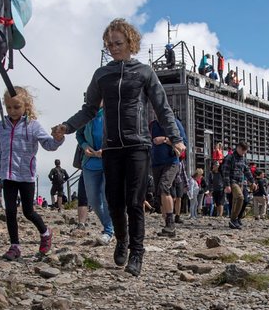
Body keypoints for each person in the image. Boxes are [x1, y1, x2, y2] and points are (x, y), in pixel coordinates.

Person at [53, 18, 184, 277]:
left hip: (138, 145)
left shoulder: (145, 72)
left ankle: (137, 251)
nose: (113, 48)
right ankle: (121, 241)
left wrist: (175, 137)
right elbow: (89, 109)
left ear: (131, 42)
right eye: (109, 44)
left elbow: (161, 107)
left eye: (118, 43)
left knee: (134, 201)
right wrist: (66, 127)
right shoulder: (102, 75)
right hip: (111, 147)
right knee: (113, 201)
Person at [0, 87, 63, 260]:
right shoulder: (2, 125)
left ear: (26, 106)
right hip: (8, 175)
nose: (12, 111)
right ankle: (14, 246)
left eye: (16, 107)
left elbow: (49, 144)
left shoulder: (33, 125)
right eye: (8, 107)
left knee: (28, 211)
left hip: (26, 175)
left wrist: (58, 138)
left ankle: (45, 233)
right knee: (10, 212)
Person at [76, 105, 114, 244]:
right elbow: (79, 134)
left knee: (106, 197)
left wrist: (107, 149)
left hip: (109, 162)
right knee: (93, 200)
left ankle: (109, 230)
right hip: (89, 163)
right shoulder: (86, 115)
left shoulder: (113, 112)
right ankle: (110, 227)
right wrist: (85, 146)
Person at [150, 114, 188, 237]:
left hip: (171, 162)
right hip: (156, 163)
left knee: (164, 187)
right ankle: (167, 224)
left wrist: (165, 140)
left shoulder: (174, 123)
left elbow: (184, 144)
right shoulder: (153, 125)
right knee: (159, 193)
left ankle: (171, 223)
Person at [222, 142, 255, 229]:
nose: (244, 152)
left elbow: (247, 170)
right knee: (240, 197)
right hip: (232, 182)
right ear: (238, 148)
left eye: (245, 151)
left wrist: (252, 181)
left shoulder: (243, 159)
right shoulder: (230, 157)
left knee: (244, 200)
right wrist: (227, 185)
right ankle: (233, 220)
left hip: (241, 182)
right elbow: (225, 172)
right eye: (243, 150)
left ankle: (236, 218)